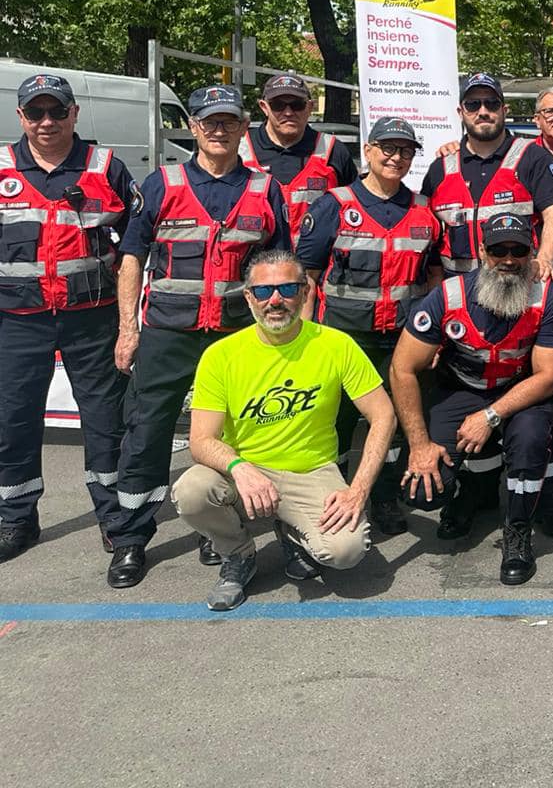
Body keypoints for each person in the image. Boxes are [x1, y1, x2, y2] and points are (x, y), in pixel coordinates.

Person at [105, 83, 291, 588]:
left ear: (243, 127)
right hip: (168, 331)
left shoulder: (264, 190)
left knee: (235, 434)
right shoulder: (162, 184)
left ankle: (219, 526)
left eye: (228, 120)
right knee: (146, 433)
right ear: (193, 127)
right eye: (209, 121)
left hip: (236, 336)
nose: (218, 129)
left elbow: (278, 269)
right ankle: (130, 538)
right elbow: (131, 259)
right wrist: (128, 330)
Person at [172, 250, 396, 610]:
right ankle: (238, 554)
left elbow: (383, 416)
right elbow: (200, 441)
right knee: (191, 491)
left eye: (287, 289)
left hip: (311, 470)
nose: (275, 300)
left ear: (306, 292)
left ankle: (293, 532)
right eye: (263, 291)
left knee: (345, 551)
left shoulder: (336, 345)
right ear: (249, 297)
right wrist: (240, 468)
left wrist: (358, 490)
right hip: (246, 470)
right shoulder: (221, 355)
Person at [389, 213, 553, 585]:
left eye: (519, 250)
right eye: (499, 250)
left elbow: (549, 376)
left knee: (530, 439)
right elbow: (402, 368)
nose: (509, 259)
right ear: (482, 252)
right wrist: (420, 445)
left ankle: (518, 530)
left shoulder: (550, 297)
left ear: (531, 253)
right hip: (461, 388)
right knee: (422, 492)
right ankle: (474, 493)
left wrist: (490, 416)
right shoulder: (448, 295)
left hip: (519, 392)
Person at [0, 73, 138, 564]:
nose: (47, 121)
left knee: (106, 424)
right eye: (36, 112)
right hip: (17, 322)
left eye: (57, 110)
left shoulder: (106, 168)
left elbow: (135, 247)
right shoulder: (1, 169)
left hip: (92, 321)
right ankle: (16, 517)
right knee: (12, 422)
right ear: (21, 116)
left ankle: (116, 521)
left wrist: (129, 326)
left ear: (74, 113)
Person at [297, 117, 441, 538]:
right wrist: (302, 342)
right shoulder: (334, 206)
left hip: (400, 342)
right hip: (342, 340)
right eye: (388, 148)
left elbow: (433, 277)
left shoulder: (424, 209)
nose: (396, 157)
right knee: (335, 423)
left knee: (393, 423)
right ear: (368, 151)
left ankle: (383, 497)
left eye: (405, 151)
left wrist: (433, 338)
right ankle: (330, 497)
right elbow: (307, 278)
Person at [421, 72, 553, 277]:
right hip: (458, 286)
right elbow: (428, 228)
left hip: (516, 282)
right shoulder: (441, 167)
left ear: (504, 110)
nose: (483, 111)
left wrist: (545, 258)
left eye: (491, 104)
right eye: (473, 105)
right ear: (460, 112)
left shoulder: (532, 157)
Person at [239, 71, 357, 234]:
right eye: (278, 105)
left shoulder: (333, 151)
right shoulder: (239, 150)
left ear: (310, 107)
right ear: (264, 107)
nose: (288, 112)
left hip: (315, 251)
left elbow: (355, 208)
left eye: (297, 105)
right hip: (259, 251)